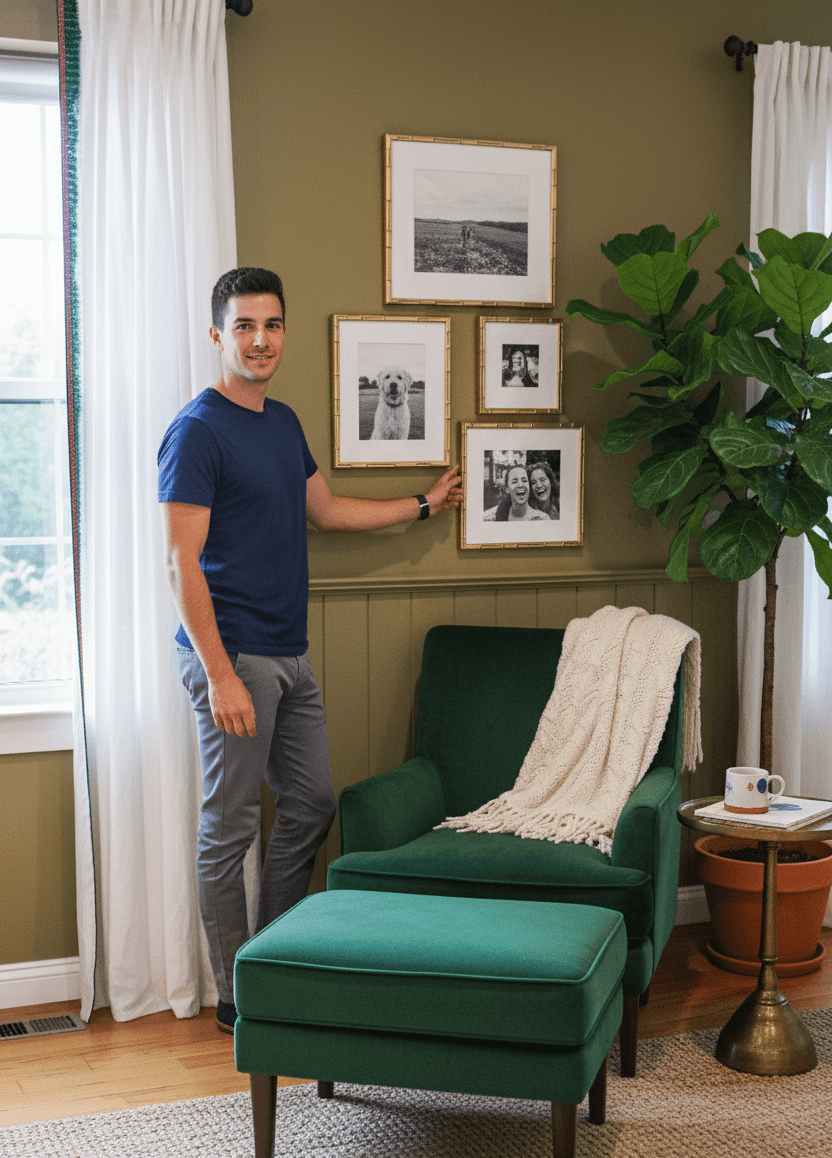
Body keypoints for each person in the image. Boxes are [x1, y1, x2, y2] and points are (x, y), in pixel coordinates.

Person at [157, 267, 462, 1033]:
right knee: (229, 827)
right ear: (217, 334)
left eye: (273, 325)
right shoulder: (197, 430)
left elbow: (325, 511)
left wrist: (422, 504)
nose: (260, 340)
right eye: (245, 327)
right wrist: (220, 674)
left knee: (313, 802)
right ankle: (240, 994)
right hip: (234, 658)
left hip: (290, 653)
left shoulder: (282, 423)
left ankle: (273, 952)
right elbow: (179, 562)